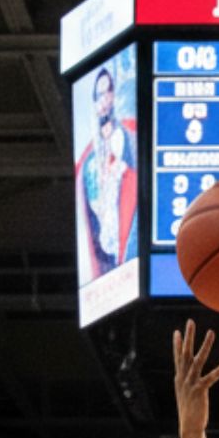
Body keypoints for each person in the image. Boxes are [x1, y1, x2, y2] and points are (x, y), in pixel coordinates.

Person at [77, 66, 139, 280]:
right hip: (108, 254)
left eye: (107, 91)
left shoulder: (126, 134)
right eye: (98, 95)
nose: (103, 99)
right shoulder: (90, 160)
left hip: (131, 237)